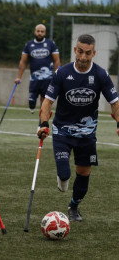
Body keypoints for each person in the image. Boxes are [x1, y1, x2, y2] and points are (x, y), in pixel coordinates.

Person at [37, 34, 119, 222]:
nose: (83, 57)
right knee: (64, 175)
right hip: (62, 131)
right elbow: (47, 103)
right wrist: (43, 124)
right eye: (80, 52)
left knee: (83, 174)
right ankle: (63, 177)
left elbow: (115, 103)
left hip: (87, 135)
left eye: (87, 53)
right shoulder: (62, 73)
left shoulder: (100, 75)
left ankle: (73, 207)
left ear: (94, 53)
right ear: (75, 50)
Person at [15, 24, 60, 114]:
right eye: (38, 31)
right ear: (35, 32)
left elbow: (56, 60)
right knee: (31, 101)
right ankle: (32, 107)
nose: (40, 33)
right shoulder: (29, 44)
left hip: (47, 79)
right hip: (34, 78)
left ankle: (41, 124)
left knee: (44, 102)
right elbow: (23, 62)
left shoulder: (51, 44)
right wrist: (19, 77)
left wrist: (57, 74)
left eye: (42, 31)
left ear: (45, 33)